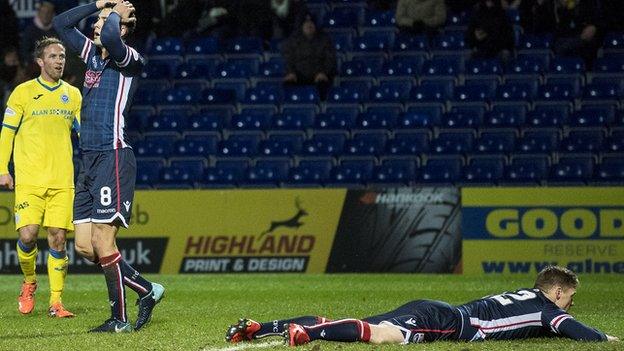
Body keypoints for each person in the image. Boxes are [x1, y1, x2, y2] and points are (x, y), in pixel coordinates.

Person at [52, 0, 164, 333]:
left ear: (125, 28)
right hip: (87, 159)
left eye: (104, 22)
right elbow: (60, 23)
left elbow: (113, 37)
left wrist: (116, 14)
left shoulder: (128, 59)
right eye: (97, 22)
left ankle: (119, 320)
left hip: (113, 155)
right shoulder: (91, 56)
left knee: (103, 241)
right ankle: (146, 290)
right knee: (86, 246)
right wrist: (98, 4)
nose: (97, 26)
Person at [225, 266, 620, 345]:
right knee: (384, 337)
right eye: (568, 297)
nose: (569, 303)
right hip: (449, 321)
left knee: (353, 323)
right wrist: (604, 336)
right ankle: (305, 334)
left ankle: (264, 326)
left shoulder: (526, 294)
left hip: (437, 308)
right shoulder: (547, 310)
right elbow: (575, 329)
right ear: (554, 293)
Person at [0, 37, 81, 318]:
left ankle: (56, 302)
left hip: (61, 180)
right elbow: (7, 132)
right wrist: (2, 169)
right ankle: (30, 281)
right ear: (40, 62)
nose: (59, 61)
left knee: (58, 239)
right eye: (53, 56)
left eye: (62, 56)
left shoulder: (72, 95)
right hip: (30, 179)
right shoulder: (22, 93)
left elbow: (84, 134)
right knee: (28, 235)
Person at [282, 12, 336, 100]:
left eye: (311, 24)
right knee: (288, 84)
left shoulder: (324, 40)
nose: (309, 26)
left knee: (323, 84)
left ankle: (321, 107)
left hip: (318, 75)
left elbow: (330, 59)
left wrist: (323, 72)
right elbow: (288, 58)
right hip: (298, 75)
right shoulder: (293, 40)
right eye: (306, 24)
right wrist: (290, 72)